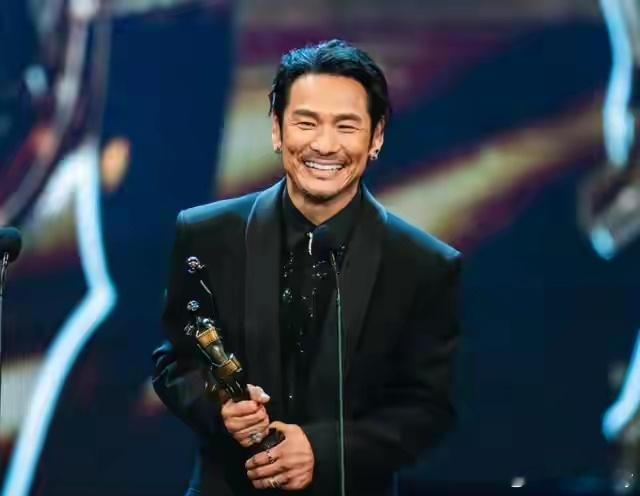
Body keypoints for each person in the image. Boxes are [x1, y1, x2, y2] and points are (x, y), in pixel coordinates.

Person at [152, 39, 462, 496]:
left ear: (376, 137)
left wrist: (323, 450)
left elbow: (427, 410)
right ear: (277, 130)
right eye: (306, 122)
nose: (324, 145)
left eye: (346, 126)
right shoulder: (206, 234)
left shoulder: (423, 264)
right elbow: (175, 361)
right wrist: (219, 409)